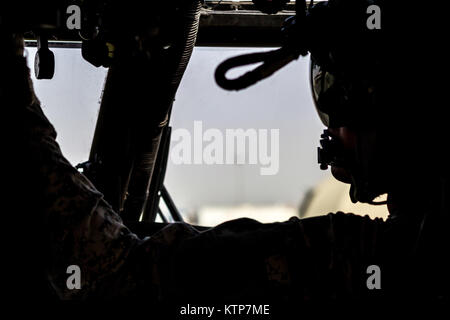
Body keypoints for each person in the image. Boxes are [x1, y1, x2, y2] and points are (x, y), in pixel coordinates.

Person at [3, 0, 448, 306]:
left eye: (338, 98)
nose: (332, 132)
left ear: (394, 107)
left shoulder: (355, 262)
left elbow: (111, 280)